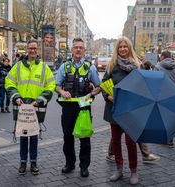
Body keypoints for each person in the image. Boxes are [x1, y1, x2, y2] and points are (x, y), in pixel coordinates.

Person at [5, 39, 56, 175]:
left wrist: (39, 100)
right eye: (30, 48)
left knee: (34, 136)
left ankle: (33, 162)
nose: (32, 51)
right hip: (22, 106)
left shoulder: (44, 67)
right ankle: (22, 162)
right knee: (23, 135)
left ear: (37, 50)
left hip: (36, 107)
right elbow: (9, 81)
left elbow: (51, 85)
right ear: (27, 50)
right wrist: (16, 97)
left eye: (34, 48)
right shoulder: (18, 66)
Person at [55, 37, 101, 178]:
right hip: (68, 107)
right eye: (76, 47)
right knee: (68, 137)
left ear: (84, 50)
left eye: (81, 47)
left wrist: (90, 94)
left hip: (84, 107)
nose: (78, 49)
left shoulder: (90, 67)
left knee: (84, 138)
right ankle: (70, 164)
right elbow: (56, 86)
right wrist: (62, 92)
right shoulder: (64, 66)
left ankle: (84, 167)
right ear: (72, 49)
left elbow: (99, 87)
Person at [101, 36, 139, 184]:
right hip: (114, 108)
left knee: (130, 141)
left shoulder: (137, 66)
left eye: (125, 47)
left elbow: (141, 87)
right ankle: (119, 169)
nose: (123, 49)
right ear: (117, 49)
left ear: (129, 48)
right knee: (116, 141)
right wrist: (108, 97)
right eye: (120, 47)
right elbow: (104, 83)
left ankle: (134, 171)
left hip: (130, 110)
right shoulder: (112, 65)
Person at [154, 50, 175, 147]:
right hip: (173, 94)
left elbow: (154, 81)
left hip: (161, 95)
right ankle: (170, 138)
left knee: (162, 116)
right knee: (171, 116)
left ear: (162, 56)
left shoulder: (158, 67)